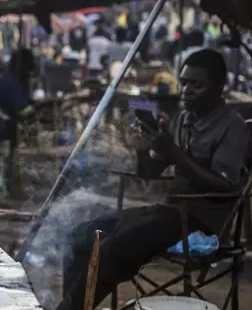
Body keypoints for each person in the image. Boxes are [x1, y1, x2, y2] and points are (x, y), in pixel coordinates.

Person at [57, 49, 251, 310]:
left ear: (219, 88)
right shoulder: (183, 119)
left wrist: (173, 152)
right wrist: (143, 148)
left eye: (197, 85)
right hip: (171, 213)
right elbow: (150, 174)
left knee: (112, 249)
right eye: (184, 83)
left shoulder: (232, 125)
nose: (186, 91)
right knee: (80, 236)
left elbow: (224, 185)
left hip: (202, 223)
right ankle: (77, 306)